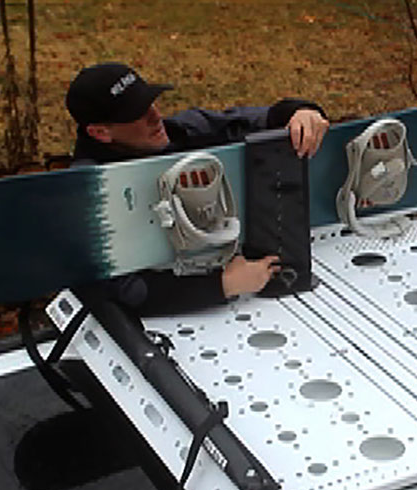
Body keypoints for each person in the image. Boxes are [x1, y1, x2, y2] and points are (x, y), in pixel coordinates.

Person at [64, 62, 329, 316]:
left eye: (149, 102)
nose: (156, 116)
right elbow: (119, 291)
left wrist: (298, 113)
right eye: (137, 114)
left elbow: (240, 122)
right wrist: (223, 285)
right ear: (100, 133)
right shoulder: (85, 196)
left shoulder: (173, 133)